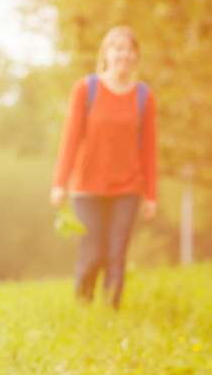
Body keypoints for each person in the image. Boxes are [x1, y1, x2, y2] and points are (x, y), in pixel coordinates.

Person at [50, 26, 158, 310]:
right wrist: (60, 183)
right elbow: (71, 138)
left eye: (129, 49)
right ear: (106, 53)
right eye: (118, 48)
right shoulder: (86, 89)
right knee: (93, 253)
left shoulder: (144, 96)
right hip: (87, 186)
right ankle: (83, 308)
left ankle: (111, 315)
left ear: (136, 56)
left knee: (116, 255)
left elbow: (149, 149)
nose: (124, 54)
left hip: (128, 187)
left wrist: (152, 195)